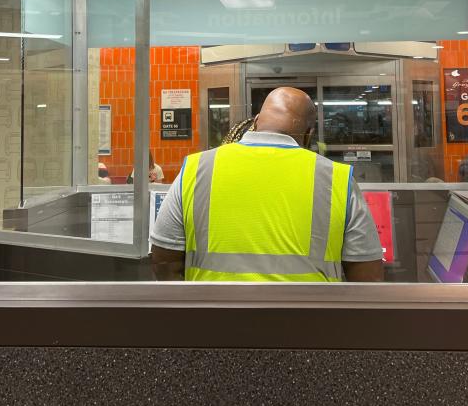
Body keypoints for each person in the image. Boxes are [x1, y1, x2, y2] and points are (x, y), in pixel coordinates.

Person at [151, 87, 384, 282]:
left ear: (255, 122)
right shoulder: (337, 178)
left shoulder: (196, 168)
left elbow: (164, 259)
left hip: (215, 326)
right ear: (309, 134)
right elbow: (367, 275)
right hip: (311, 326)